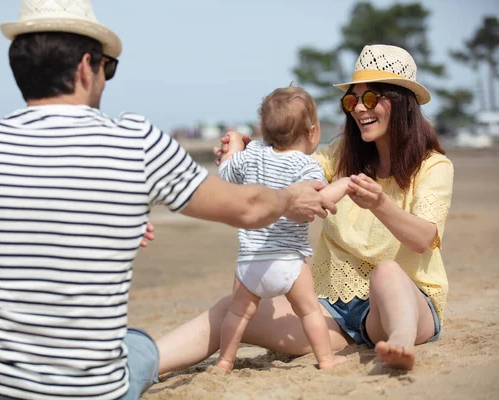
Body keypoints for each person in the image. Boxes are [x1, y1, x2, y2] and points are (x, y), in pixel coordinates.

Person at [0, 1, 338, 399]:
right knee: (141, 346)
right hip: (88, 388)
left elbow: (24, 231)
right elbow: (246, 208)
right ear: (87, 67)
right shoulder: (134, 140)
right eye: (110, 65)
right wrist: (287, 199)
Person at [156, 44, 453, 374]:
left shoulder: (433, 166)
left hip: (403, 309)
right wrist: (248, 155)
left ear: (403, 102)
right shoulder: (341, 152)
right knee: (232, 308)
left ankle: (399, 344)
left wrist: (381, 204)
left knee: (386, 272)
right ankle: (145, 360)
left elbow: (424, 238)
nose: (358, 109)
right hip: (334, 314)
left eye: (370, 98)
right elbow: (291, 167)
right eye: (352, 100)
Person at [215, 86, 349, 372]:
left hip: (251, 259)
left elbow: (226, 174)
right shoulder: (306, 165)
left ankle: (225, 361)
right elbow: (320, 200)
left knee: (237, 313)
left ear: (263, 130)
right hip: (288, 260)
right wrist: (346, 184)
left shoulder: (251, 156)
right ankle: (325, 359)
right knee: (309, 310)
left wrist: (235, 145)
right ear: (312, 132)